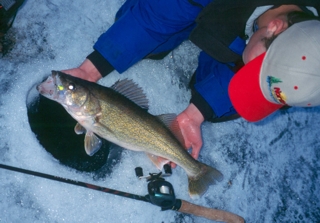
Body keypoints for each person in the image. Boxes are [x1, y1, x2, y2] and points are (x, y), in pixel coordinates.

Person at [62, 0, 320, 165]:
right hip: (210, 6)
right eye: (253, 71)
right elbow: (156, 17)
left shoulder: (305, 66)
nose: (247, 76)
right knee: (146, 29)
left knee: (218, 102)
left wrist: (198, 112)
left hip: (237, 31)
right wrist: (94, 67)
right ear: (274, 26)